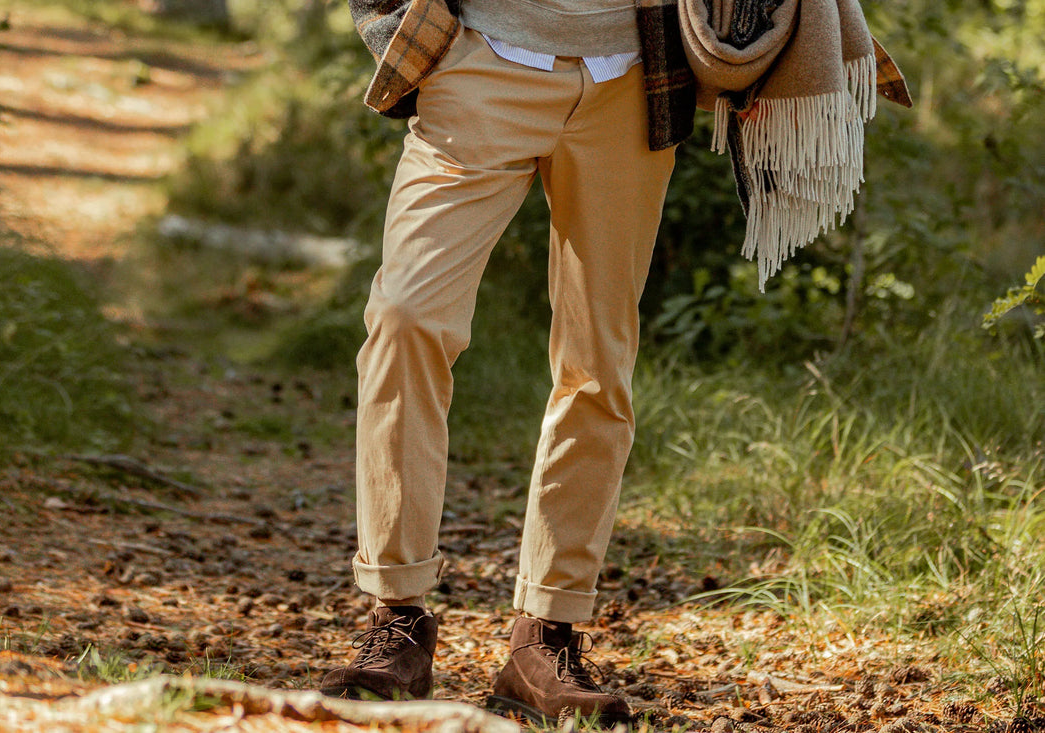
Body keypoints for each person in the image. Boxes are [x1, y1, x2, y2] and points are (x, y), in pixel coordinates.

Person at [318, 0, 908, 725]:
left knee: (598, 360)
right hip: (476, 62)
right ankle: (397, 617)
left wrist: (751, 56)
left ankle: (545, 636)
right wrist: (400, 29)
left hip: (631, 78)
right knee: (405, 316)